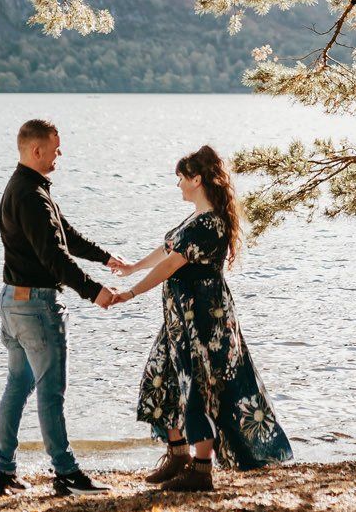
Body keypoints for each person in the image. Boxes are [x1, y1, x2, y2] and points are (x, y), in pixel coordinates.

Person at [110, 145, 292, 492]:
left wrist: (131, 293)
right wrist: (133, 266)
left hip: (203, 321)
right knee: (161, 378)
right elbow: (168, 250)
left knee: (198, 386)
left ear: (196, 179)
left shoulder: (210, 223)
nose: (178, 184)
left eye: (181, 178)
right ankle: (178, 454)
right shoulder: (194, 219)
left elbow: (172, 265)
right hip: (181, 319)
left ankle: (202, 470)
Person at [0, 116, 132, 498]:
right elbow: (54, 257)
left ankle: (4, 473)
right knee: (50, 391)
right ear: (36, 150)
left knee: (17, 386)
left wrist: (105, 257)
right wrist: (95, 292)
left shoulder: (26, 188)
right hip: (36, 305)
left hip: (13, 301)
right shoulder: (31, 195)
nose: (60, 153)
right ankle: (66, 474)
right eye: (55, 147)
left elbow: (64, 234)